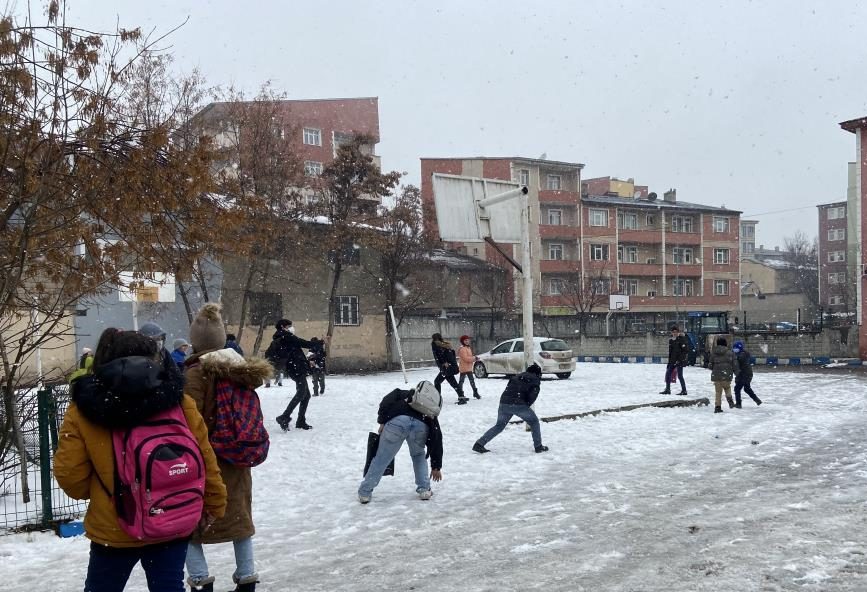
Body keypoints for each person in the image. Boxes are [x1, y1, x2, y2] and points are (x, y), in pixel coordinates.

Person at [54, 328, 227, 592]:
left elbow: (70, 476)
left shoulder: (84, 409)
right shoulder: (180, 402)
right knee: (168, 586)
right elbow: (205, 459)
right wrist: (214, 504)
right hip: (172, 518)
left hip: (114, 526)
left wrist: (105, 491)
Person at [183, 304, 272, 592]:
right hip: (237, 454)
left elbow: (188, 418)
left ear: (195, 341)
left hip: (204, 457)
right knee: (239, 517)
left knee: (188, 521)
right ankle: (247, 577)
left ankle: (199, 579)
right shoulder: (239, 370)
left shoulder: (194, 375)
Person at [357, 382, 443, 504]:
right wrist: (436, 466)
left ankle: (365, 492)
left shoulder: (403, 393)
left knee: (382, 457)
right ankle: (424, 489)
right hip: (421, 425)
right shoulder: (429, 408)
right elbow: (437, 436)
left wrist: (382, 421)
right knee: (418, 455)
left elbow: (386, 401)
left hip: (397, 422)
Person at [473, 363, 548, 454]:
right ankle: (538, 446)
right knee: (534, 422)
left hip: (504, 403)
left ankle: (479, 444)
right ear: (538, 373)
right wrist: (524, 406)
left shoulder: (516, 376)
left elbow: (508, 389)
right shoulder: (535, 379)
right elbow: (532, 396)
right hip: (518, 404)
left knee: (499, 426)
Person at [274, 320, 318, 430]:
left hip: (295, 368)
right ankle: (284, 416)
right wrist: (321, 342)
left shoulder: (283, 336)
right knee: (301, 393)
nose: (291, 328)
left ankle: (300, 421)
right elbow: (303, 343)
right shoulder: (286, 337)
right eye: (289, 326)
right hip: (296, 368)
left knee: (306, 395)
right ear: (283, 327)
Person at [431, 333, 466, 404]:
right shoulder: (445, 344)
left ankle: (438, 399)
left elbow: (439, 355)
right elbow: (452, 353)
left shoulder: (435, 344)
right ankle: (461, 396)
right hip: (448, 367)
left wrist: (444, 362)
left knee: (437, 382)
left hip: (445, 367)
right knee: (452, 382)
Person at [708, 337, 739, 413]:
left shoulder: (713, 353)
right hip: (727, 374)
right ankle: (730, 401)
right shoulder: (730, 352)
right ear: (725, 343)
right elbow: (735, 364)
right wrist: (737, 373)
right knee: (727, 388)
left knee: (718, 392)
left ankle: (717, 407)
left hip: (716, 375)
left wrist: (715, 369)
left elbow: (710, 365)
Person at [660, 325, 689, 395]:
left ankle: (684, 390)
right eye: (673, 332)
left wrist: (680, 359)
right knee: (668, 374)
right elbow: (671, 352)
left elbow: (685, 350)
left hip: (679, 361)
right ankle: (667, 389)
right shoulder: (671, 340)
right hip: (672, 361)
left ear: (678, 332)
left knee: (680, 376)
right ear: (671, 332)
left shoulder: (681, 339)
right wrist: (669, 362)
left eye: (676, 332)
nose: (674, 333)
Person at [733, 341, 762, 408]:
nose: (734, 349)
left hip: (744, 374)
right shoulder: (741, 353)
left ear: (740, 348)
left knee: (737, 388)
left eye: (736, 348)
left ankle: (738, 404)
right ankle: (757, 400)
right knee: (747, 388)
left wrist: (734, 358)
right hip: (747, 374)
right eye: (734, 348)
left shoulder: (742, 354)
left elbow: (740, 359)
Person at [457, 335, 481, 399]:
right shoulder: (462, 349)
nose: (467, 341)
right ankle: (460, 394)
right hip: (464, 367)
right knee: (461, 381)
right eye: (465, 340)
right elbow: (466, 358)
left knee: (472, 381)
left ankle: (475, 393)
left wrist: (474, 358)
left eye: (468, 340)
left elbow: (469, 357)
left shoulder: (468, 348)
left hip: (468, 367)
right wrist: (474, 358)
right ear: (462, 341)